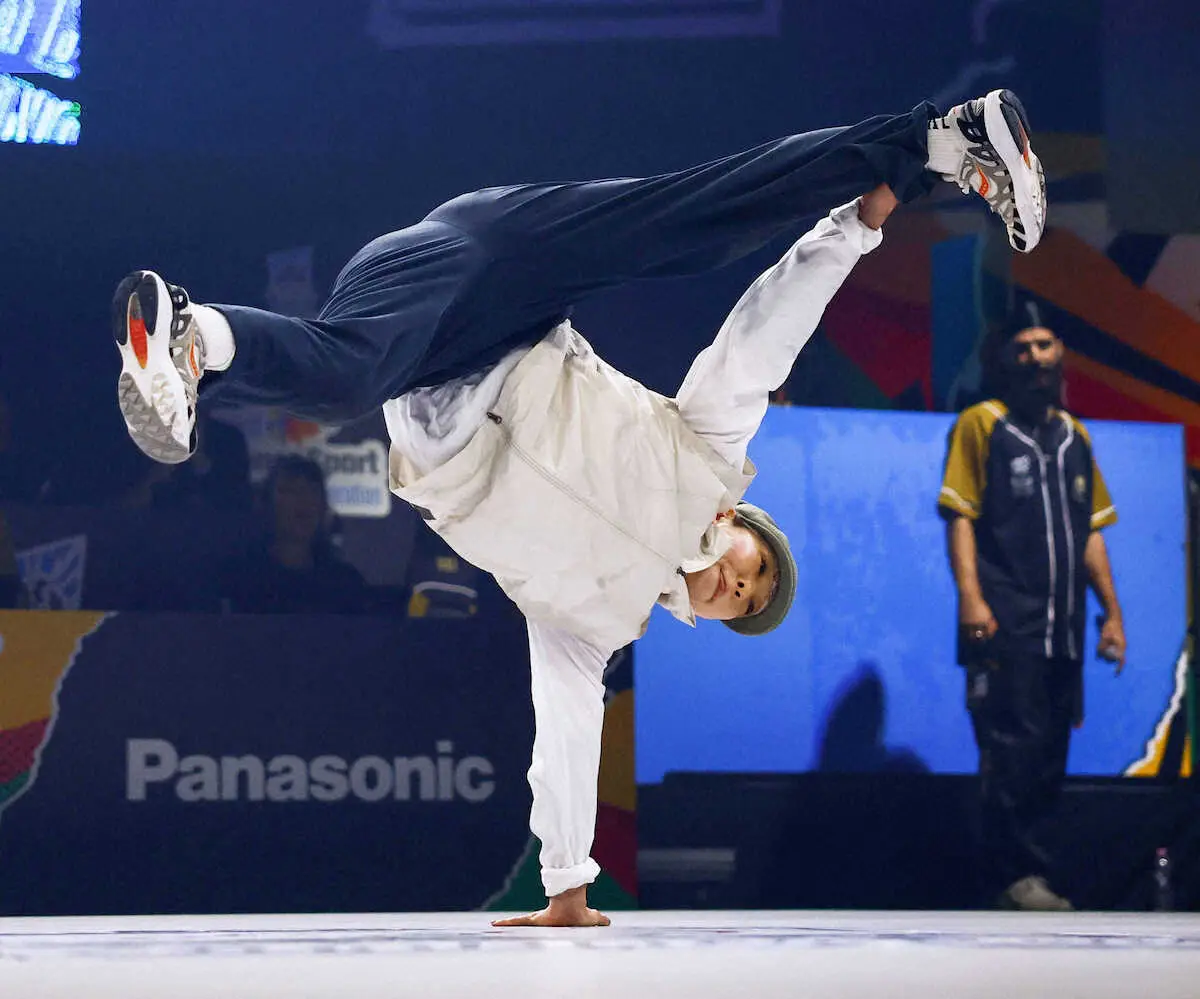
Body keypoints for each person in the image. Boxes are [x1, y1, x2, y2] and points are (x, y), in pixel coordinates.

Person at [112, 89, 1046, 926]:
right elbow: (762, 337)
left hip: (424, 362)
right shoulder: (708, 455)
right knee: (691, 219)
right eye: (755, 569)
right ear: (739, 524)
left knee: (344, 377)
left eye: (744, 605)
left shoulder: (595, 621)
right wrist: (856, 228)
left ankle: (193, 339)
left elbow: (564, 730)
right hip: (508, 279)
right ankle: (938, 140)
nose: (739, 587)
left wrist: (567, 883)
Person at [938, 300, 1125, 911]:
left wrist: (1112, 614)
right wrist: (971, 599)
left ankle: (1032, 875)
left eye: (1044, 345)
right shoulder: (982, 424)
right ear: (1004, 358)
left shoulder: (1076, 437)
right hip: (1004, 622)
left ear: (1060, 353)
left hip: (1063, 628)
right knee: (1009, 749)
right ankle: (1009, 877)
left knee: (1049, 752)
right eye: (1022, 348)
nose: (1035, 357)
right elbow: (961, 516)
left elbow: (1091, 532)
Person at [214, 454, 369, 615]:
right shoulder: (242, 579)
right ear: (267, 504)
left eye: (312, 490)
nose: (303, 499)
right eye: (289, 490)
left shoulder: (344, 583)